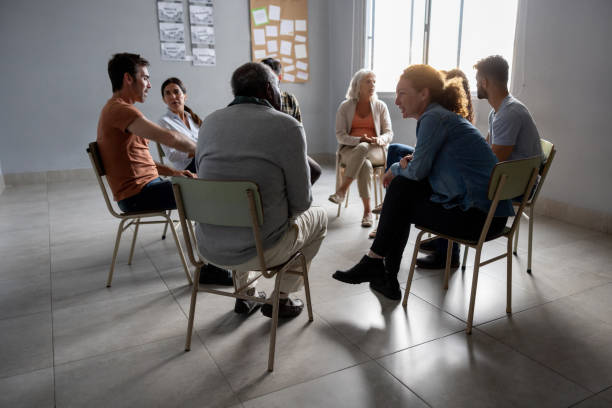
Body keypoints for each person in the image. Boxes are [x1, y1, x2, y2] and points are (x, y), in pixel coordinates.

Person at [332, 64, 514, 300]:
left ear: (424, 93)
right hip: (491, 216)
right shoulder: (441, 116)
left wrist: (397, 168)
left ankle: (378, 266)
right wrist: (406, 165)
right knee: (403, 190)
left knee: (401, 194)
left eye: (402, 93)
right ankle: (379, 269)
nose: (396, 101)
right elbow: (424, 161)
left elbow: (417, 171)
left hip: (478, 220)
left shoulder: (433, 118)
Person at [195, 62, 328, 317]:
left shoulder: (209, 123)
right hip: (264, 249)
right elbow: (302, 203)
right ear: (269, 90)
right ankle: (281, 298)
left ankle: (246, 295)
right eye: (278, 88)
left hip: (209, 245)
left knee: (238, 210)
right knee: (319, 217)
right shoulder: (287, 126)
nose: (280, 93)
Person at [96, 53, 232, 287]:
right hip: (137, 196)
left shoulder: (120, 110)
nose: (149, 84)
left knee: (199, 183)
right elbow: (169, 138)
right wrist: (203, 150)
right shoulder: (121, 110)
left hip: (144, 189)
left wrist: (177, 174)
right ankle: (213, 267)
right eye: (145, 78)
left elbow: (144, 163)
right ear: (129, 78)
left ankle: (215, 260)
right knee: (209, 192)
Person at [331, 69, 394, 227]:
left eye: (374, 81)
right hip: (350, 149)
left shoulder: (381, 106)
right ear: (358, 85)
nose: (372, 85)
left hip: (375, 150)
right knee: (364, 162)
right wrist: (359, 139)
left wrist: (379, 139)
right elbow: (340, 135)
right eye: (368, 81)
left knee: (365, 147)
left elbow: (389, 132)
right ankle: (367, 212)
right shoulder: (345, 107)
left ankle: (342, 190)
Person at [260, 58, 322, 184]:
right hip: (264, 150)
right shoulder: (257, 100)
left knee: (315, 170)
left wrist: (297, 153)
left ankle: (295, 199)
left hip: (289, 150)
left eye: (270, 76)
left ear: (279, 77)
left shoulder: (289, 99)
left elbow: (299, 130)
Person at [474, 55, 542, 162]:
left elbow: (494, 162)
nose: (476, 85)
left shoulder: (508, 114)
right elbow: (486, 149)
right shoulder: (496, 112)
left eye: (477, 81)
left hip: (516, 177)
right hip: (508, 175)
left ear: (484, 82)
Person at [158, 77, 203, 173]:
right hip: (187, 169)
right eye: (168, 93)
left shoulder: (193, 118)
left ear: (185, 96)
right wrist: (198, 151)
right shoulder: (164, 122)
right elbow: (172, 155)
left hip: (202, 160)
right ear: (164, 100)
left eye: (176, 92)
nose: (173, 97)